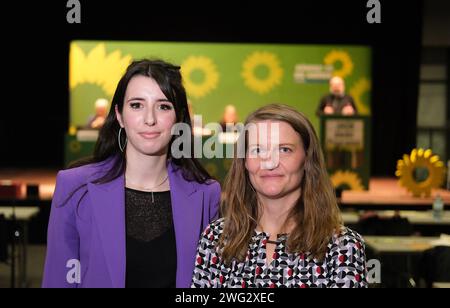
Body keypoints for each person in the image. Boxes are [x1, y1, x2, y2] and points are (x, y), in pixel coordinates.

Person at [43, 59, 221, 288]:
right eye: (137, 105)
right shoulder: (75, 187)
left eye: (163, 106)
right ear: (119, 115)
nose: (150, 119)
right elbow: (58, 280)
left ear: (179, 118)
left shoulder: (206, 194)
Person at [192, 104, 367, 288]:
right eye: (257, 150)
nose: (270, 163)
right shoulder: (216, 239)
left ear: (307, 158)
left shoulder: (343, 248)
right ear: (244, 161)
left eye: (284, 149)